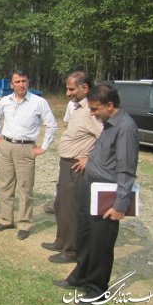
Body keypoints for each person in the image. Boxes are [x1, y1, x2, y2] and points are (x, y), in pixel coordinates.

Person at [53, 83, 139, 305]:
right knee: (86, 237)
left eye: (95, 109)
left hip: (107, 194)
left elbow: (126, 170)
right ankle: (80, 276)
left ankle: (96, 289)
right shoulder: (108, 122)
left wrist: (120, 205)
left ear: (110, 105)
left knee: (101, 244)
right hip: (91, 187)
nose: (92, 113)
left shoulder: (125, 128)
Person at [41, 72, 102, 263]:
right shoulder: (77, 107)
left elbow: (106, 138)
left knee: (72, 209)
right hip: (66, 164)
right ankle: (61, 241)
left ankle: (71, 250)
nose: (67, 93)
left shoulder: (91, 111)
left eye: (71, 89)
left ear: (85, 88)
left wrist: (89, 159)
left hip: (77, 166)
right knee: (61, 205)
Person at [0, 69, 58, 240]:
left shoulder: (38, 102)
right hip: (6, 146)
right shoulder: (5, 101)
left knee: (25, 188)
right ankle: (6, 220)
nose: (21, 84)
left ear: (28, 82)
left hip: (26, 149)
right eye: (17, 81)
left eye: (24, 81)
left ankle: (24, 224)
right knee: (6, 186)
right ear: (11, 84)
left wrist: (43, 147)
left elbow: (52, 125)